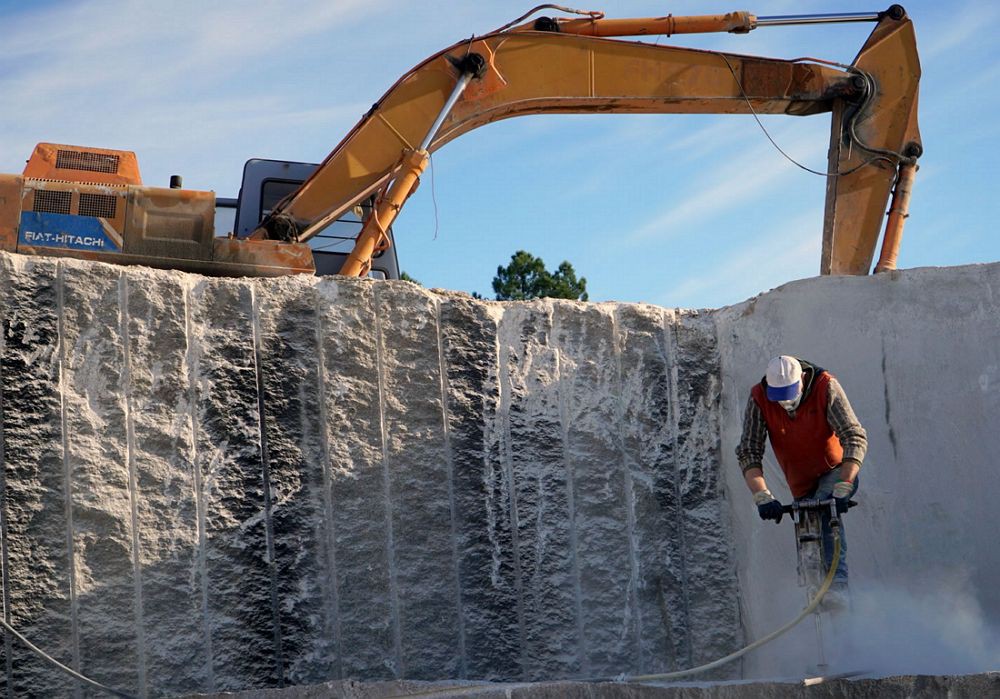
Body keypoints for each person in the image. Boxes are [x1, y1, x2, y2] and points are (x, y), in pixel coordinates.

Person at [736, 355, 867, 594]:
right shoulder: (759, 398)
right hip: (801, 482)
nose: (786, 403)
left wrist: (845, 484)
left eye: (789, 395)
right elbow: (749, 450)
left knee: (825, 513)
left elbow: (854, 436)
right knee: (806, 531)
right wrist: (762, 495)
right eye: (779, 398)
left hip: (835, 471)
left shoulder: (825, 386)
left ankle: (837, 588)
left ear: (802, 381)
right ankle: (814, 592)